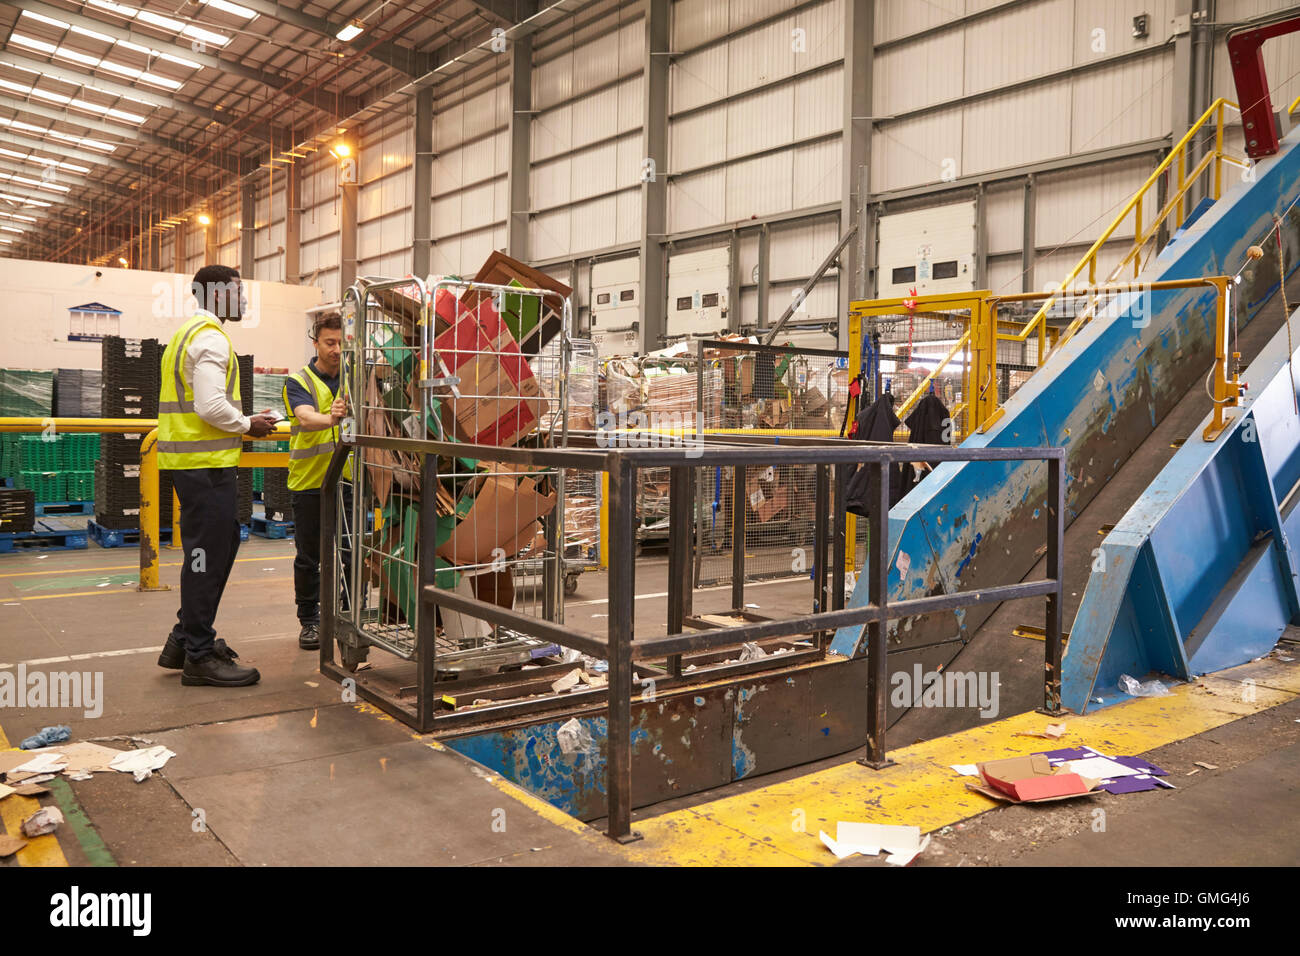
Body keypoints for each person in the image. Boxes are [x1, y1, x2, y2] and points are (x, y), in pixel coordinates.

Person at [155, 265, 277, 686]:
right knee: (204, 557)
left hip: (196, 465)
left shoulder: (188, 334)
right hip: (202, 467)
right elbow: (209, 406)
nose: (243, 299)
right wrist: (249, 424)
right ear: (216, 294)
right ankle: (199, 657)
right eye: (238, 291)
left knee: (220, 544)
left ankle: (183, 638)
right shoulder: (210, 339)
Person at [282, 312, 353, 650]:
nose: (337, 349)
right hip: (310, 482)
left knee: (352, 552)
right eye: (330, 342)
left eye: (342, 342)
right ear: (316, 343)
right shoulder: (299, 381)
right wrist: (332, 418)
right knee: (310, 557)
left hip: (349, 482)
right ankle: (309, 620)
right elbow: (305, 418)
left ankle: (347, 614)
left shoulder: (357, 378)